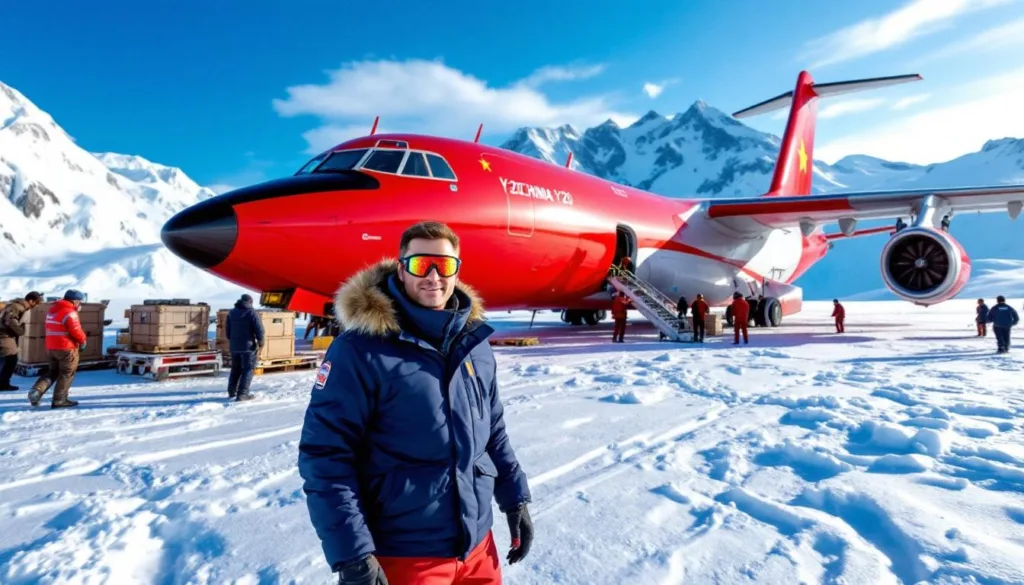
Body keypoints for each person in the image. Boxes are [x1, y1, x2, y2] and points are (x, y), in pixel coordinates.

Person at [298, 221, 533, 585]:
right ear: (402, 267)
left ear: (458, 270)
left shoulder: (475, 344)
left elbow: (494, 432)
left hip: (477, 547)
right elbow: (325, 454)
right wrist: (351, 552)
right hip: (405, 554)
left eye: (445, 266)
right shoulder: (361, 349)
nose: (434, 277)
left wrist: (515, 497)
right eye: (422, 265)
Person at [27, 290, 86, 408]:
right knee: (66, 373)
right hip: (66, 347)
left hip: (51, 347)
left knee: (52, 372)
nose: (79, 304)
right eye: (79, 301)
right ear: (74, 300)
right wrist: (83, 341)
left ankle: (37, 391)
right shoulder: (70, 312)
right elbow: (76, 330)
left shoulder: (52, 310)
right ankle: (60, 400)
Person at [0, 291, 43, 390]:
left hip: (6, 335)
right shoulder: (17, 307)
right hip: (4, 336)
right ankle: (3, 384)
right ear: (31, 300)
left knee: (7, 360)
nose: (36, 306)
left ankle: (3, 383)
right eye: (36, 303)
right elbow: (9, 320)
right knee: (10, 359)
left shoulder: (17, 306)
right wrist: (20, 331)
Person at [225, 293, 264, 401]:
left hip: (234, 346)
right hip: (248, 347)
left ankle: (232, 391)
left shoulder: (231, 313)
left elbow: (227, 332)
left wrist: (233, 341)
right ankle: (243, 394)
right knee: (248, 369)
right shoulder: (252, 313)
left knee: (235, 369)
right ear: (250, 302)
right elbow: (259, 330)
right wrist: (261, 342)